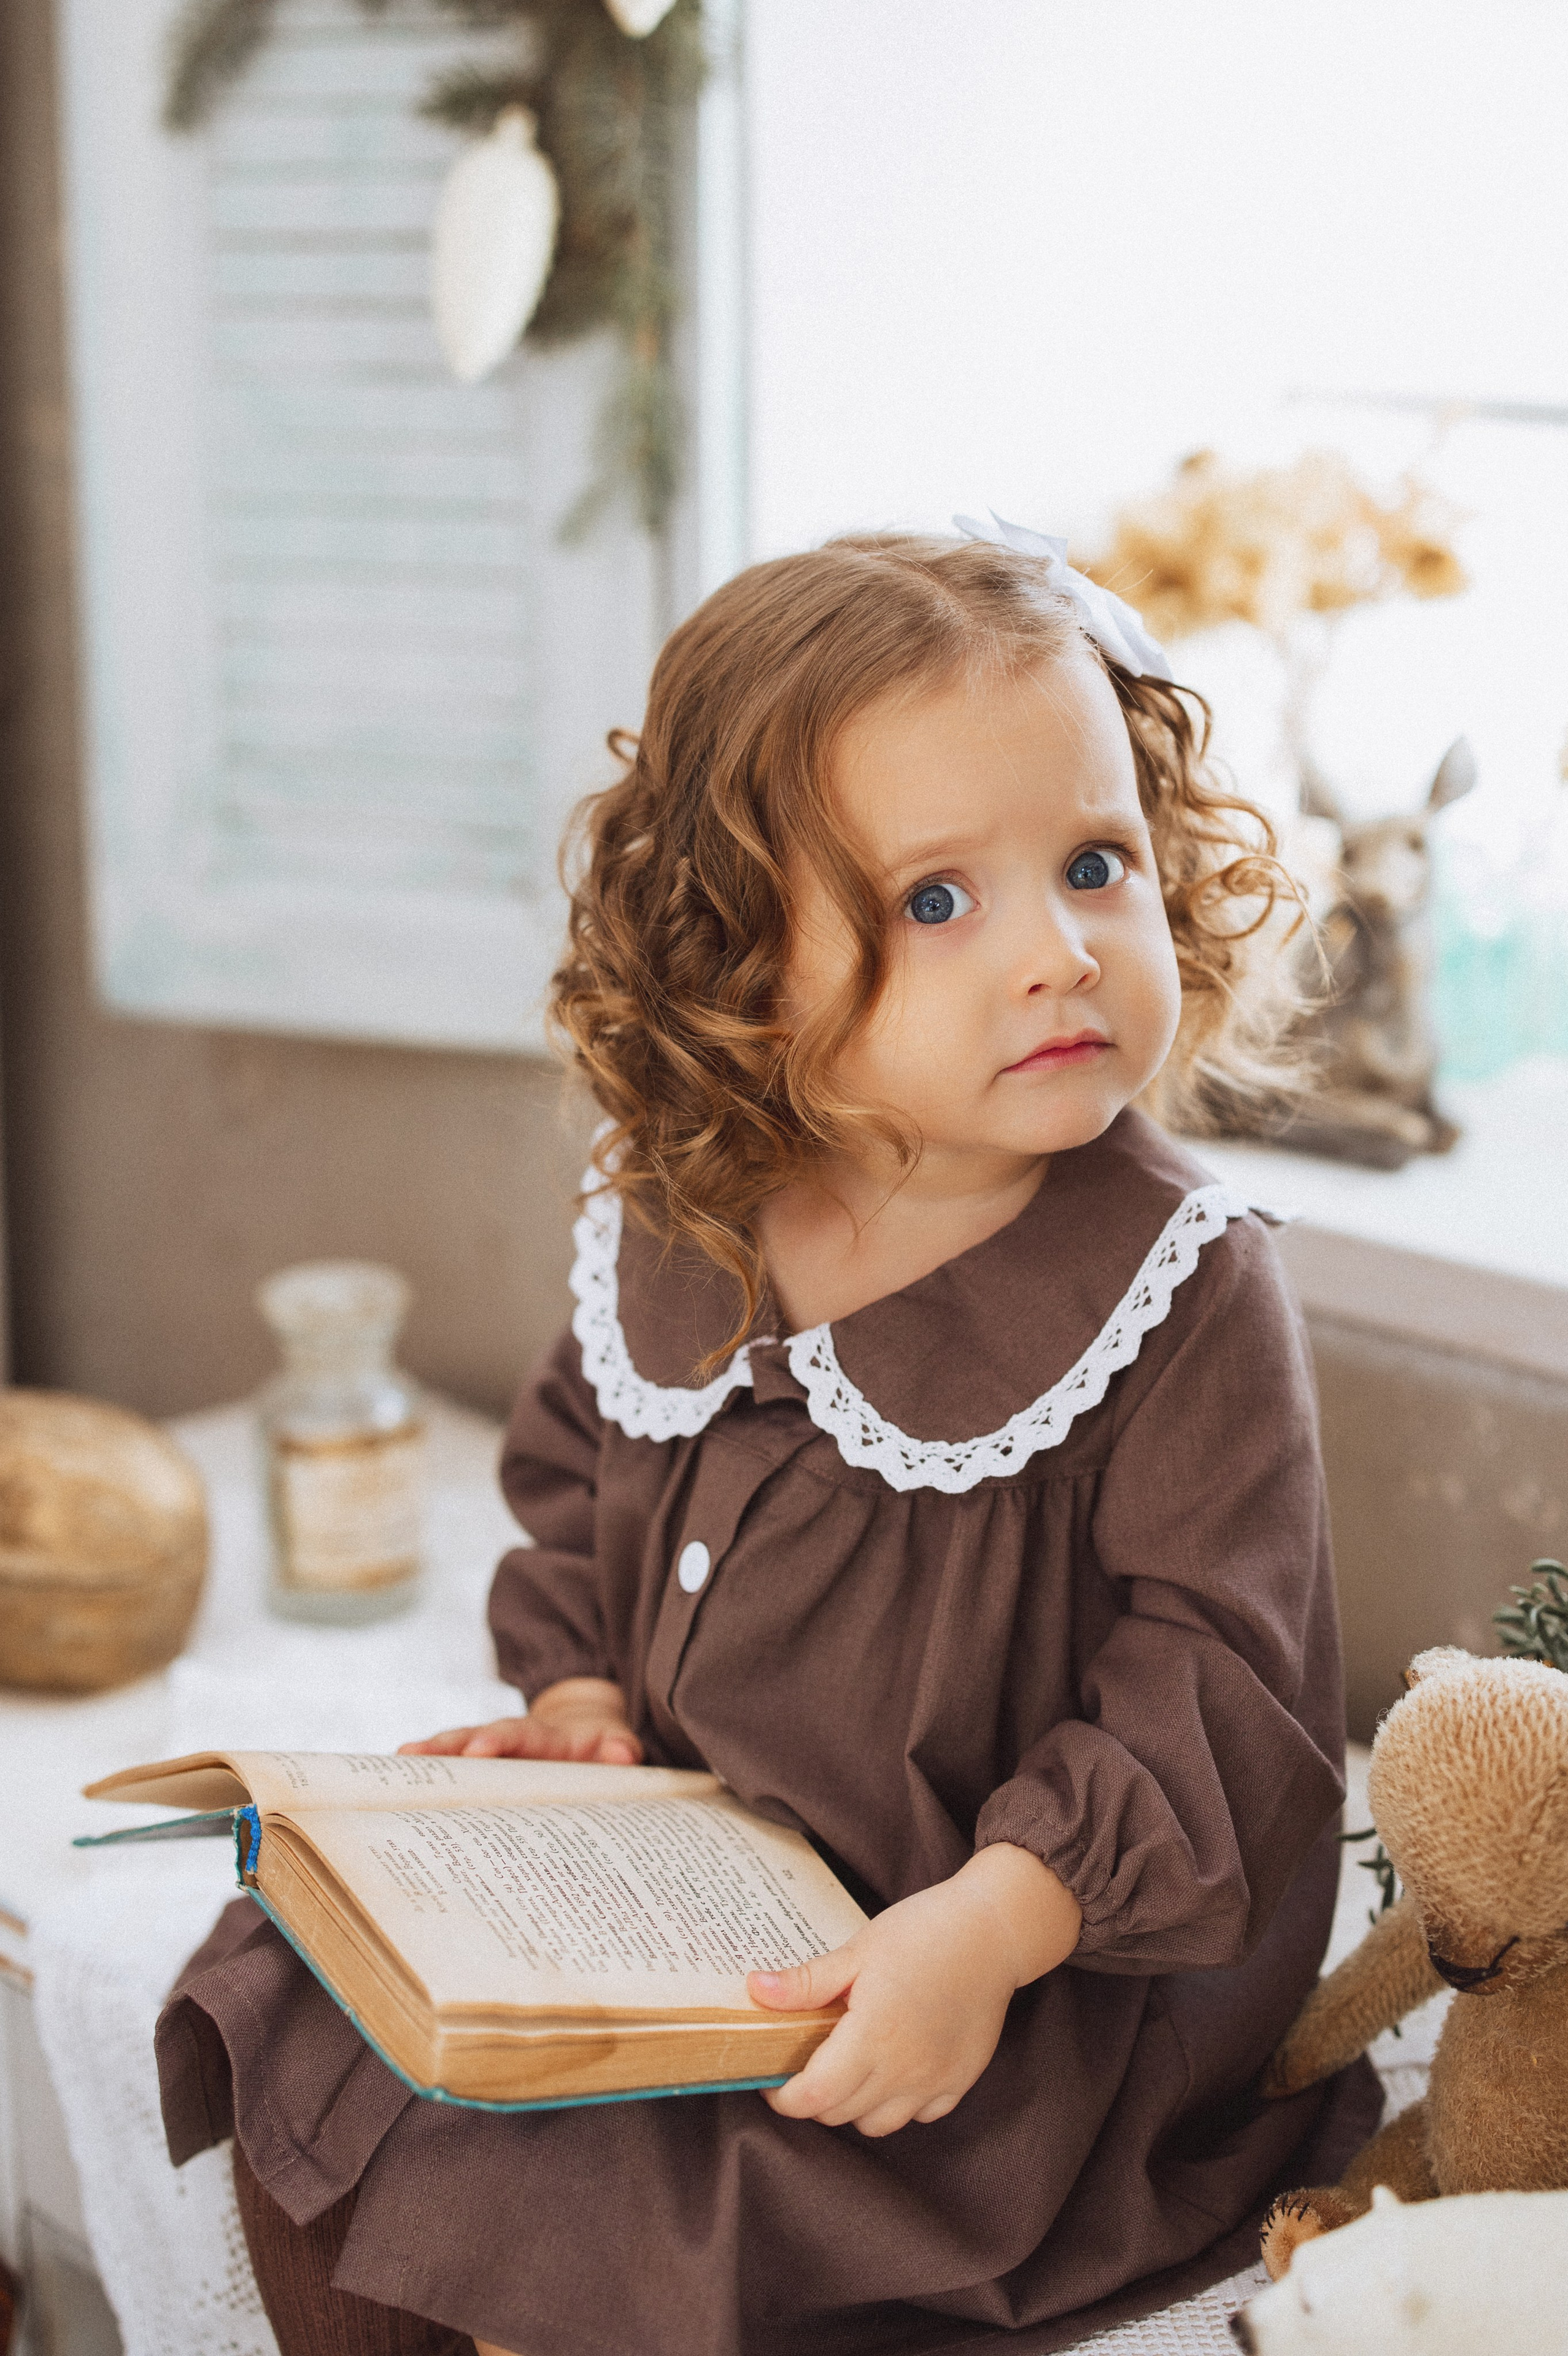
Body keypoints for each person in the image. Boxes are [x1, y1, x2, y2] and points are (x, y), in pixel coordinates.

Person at [156, 522, 1378, 2356]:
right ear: (741, 957)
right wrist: (575, 1699)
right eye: (937, 903)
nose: (1058, 953)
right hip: (683, 1877)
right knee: (319, 2022)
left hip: (977, 1967)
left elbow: (1221, 1686)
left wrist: (994, 1925)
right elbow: (582, 1475)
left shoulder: (1181, 1288)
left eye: (1096, 862)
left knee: (619, 2229)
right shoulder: (694, 1198)